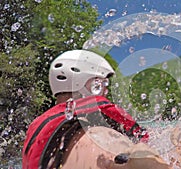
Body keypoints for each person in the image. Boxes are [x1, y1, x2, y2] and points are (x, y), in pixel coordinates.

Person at [22, 50, 153, 169]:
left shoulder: (38, 124)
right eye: (104, 83)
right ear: (87, 83)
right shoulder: (96, 137)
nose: (106, 91)